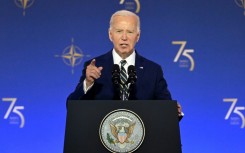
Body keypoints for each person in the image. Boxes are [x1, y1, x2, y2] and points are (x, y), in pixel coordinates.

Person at [67, 10, 183, 118]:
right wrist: (88, 83)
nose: (124, 37)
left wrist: (174, 111)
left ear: (137, 36)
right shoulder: (95, 66)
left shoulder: (153, 70)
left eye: (130, 32)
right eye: (119, 31)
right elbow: (72, 106)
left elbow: (166, 112)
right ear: (110, 35)